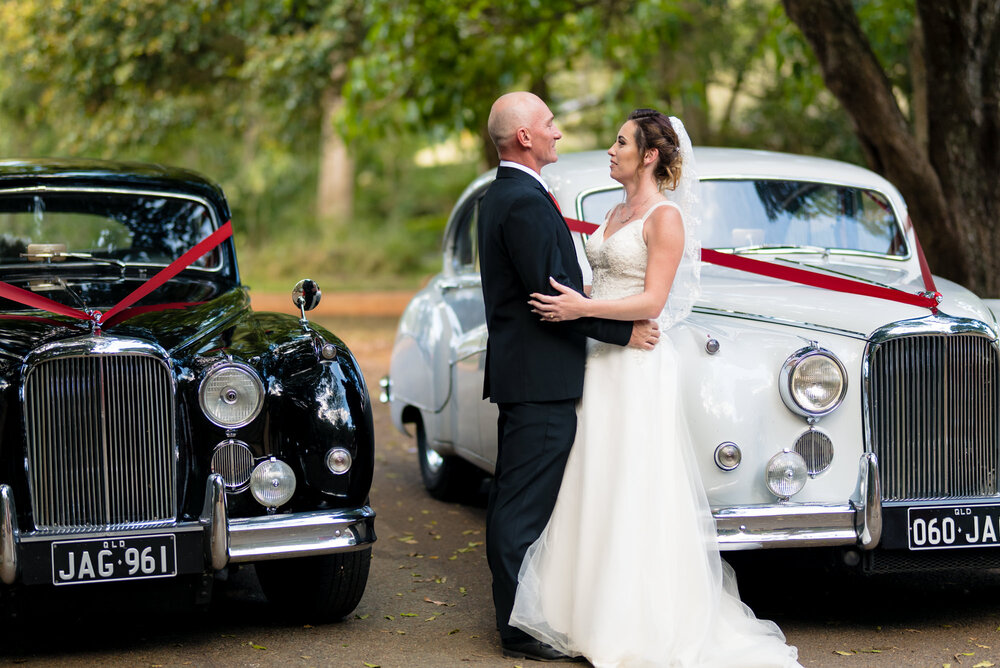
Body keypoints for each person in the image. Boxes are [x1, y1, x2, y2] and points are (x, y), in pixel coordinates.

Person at [509, 109, 803, 667]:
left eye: (621, 142)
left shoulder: (665, 218)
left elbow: (653, 302)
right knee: (593, 478)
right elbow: (609, 280)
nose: (610, 149)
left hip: (638, 367)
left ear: (648, 155)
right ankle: (582, 612)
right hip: (601, 360)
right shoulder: (614, 210)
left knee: (634, 482)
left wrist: (581, 309)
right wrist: (588, 306)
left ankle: (636, 620)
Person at [478, 92, 662, 663]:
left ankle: (535, 611)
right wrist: (624, 335)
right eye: (550, 124)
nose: (559, 132)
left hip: (531, 375)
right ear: (525, 138)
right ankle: (518, 627)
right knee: (521, 505)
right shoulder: (525, 201)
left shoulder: (504, 192)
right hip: (541, 378)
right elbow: (552, 296)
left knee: (521, 496)